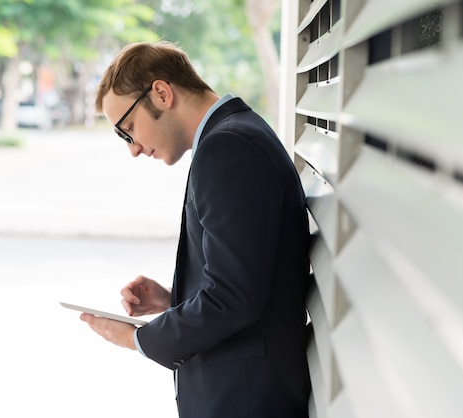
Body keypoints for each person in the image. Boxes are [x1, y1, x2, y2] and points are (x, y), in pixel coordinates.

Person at [79, 41, 311, 418]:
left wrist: (137, 339)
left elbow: (233, 298)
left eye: (128, 129)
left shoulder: (228, 148)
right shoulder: (234, 136)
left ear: (161, 93)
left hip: (246, 400)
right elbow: (249, 282)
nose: (133, 148)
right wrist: (175, 299)